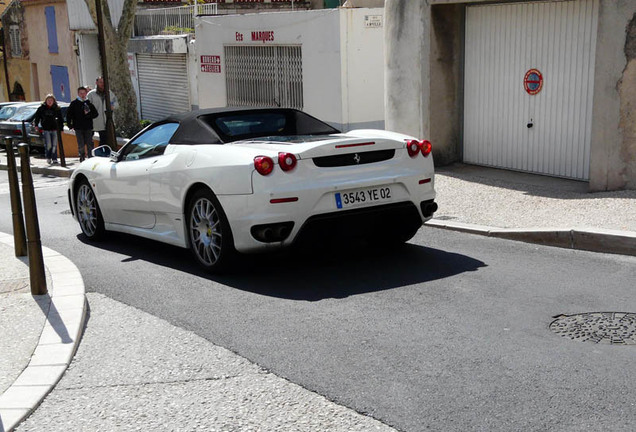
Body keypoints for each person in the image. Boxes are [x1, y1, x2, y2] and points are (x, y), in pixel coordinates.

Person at [66, 86, 98, 162]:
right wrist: (70, 125)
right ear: (78, 94)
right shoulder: (74, 104)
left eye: (84, 93)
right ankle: (82, 156)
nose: (82, 95)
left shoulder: (89, 103)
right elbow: (69, 115)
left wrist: (88, 115)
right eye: (81, 93)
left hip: (88, 126)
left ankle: (90, 157)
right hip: (78, 127)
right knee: (81, 143)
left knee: (89, 142)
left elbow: (95, 114)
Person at [32, 94, 64, 165]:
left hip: (55, 129)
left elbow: (60, 119)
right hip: (46, 129)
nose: (50, 102)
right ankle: (48, 157)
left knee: (54, 144)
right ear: (46, 101)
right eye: (48, 100)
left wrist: (61, 128)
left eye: (51, 100)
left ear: (54, 101)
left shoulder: (57, 108)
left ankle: (54, 158)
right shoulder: (41, 108)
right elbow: (37, 117)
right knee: (49, 144)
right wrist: (36, 125)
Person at [87, 76, 117, 149]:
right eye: (100, 82)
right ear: (96, 83)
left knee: (104, 140)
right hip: (94, 121)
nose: (102, 84)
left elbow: (115, 102)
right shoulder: (91, 94)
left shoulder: (109, 93)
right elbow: (87, 106)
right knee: (88, 140)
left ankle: (102, 154)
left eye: (104, 82)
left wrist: (113, 105)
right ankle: (90, 154)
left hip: (106, 121)